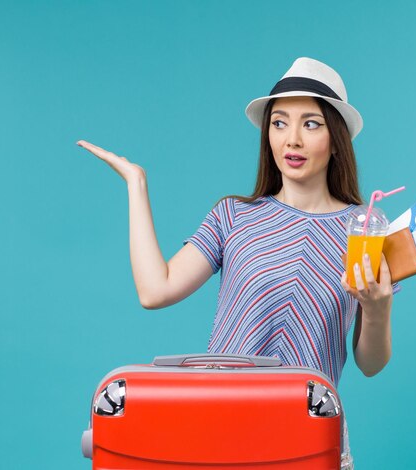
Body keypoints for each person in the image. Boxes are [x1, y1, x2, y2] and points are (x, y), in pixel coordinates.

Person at [77, 57, 397, 469]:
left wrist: (377, 308)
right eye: (279, 123)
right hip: (217, 429)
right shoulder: (234, 216)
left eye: (311, 124)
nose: (292, 140)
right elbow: (155, 290)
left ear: (337, 139)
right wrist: (137, 185)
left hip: (307, 438)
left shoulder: (365, 230)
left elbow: (370, 364)